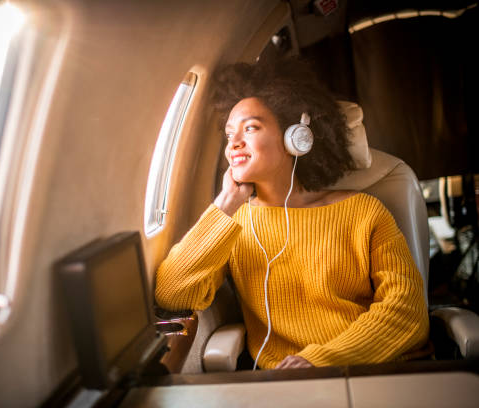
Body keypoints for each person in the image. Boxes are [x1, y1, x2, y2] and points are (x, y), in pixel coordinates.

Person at [154, 59, 429, 370]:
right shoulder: (235, 222)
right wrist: (228, 202)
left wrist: (318, 360)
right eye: (230, 134)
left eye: (251, 128)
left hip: (375, 370)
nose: (234, 144)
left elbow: (407, 311)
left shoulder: (365, 212)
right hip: (287, 384)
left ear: (296, 137)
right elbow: (172, 293)